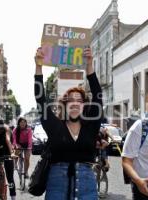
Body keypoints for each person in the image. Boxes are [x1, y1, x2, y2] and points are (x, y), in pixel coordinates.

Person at [34, 47, 102, 199]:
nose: (75, 104)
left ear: (84, 105)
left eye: (79, 101)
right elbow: (40, 100)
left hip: (88, 189)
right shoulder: (55, 127)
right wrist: (38, 66)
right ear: (64, 104)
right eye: (71, 100)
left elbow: (98, 95)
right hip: (57, 188)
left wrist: (89, 65)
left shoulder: (91, 127)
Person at [0, 119, 16, 200]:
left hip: (7, 150)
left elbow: (8, 140)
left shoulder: (6, 129)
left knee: (10, 178)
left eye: (0, 129)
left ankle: (13, 197)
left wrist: (12, 153)